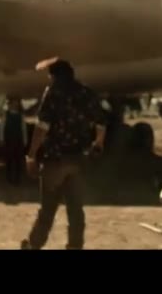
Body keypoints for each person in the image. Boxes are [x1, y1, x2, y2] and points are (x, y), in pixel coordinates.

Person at [21, 58, 106, 250]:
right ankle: (75, 246)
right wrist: (98, 143)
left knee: (47, 210)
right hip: (79, 160)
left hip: (55, 160)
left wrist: (31, 155)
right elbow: (101, 123)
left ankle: (33, 245)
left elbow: (42, 127)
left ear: (54, 76)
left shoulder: (53, 92)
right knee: (76, 210)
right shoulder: (87, 93)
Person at [0, 95, 27, 185]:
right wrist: (1, 138)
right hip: (9, 139)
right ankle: (9, 177)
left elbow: (23, 128)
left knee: (18, 159)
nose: (15, 104)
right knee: (9, 159)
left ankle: (17, 178)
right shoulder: (6, 114)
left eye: (17, 102)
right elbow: (2, 126)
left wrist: (25, 139)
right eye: (13, 102)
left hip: (18, 139)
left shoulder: (21, 115)